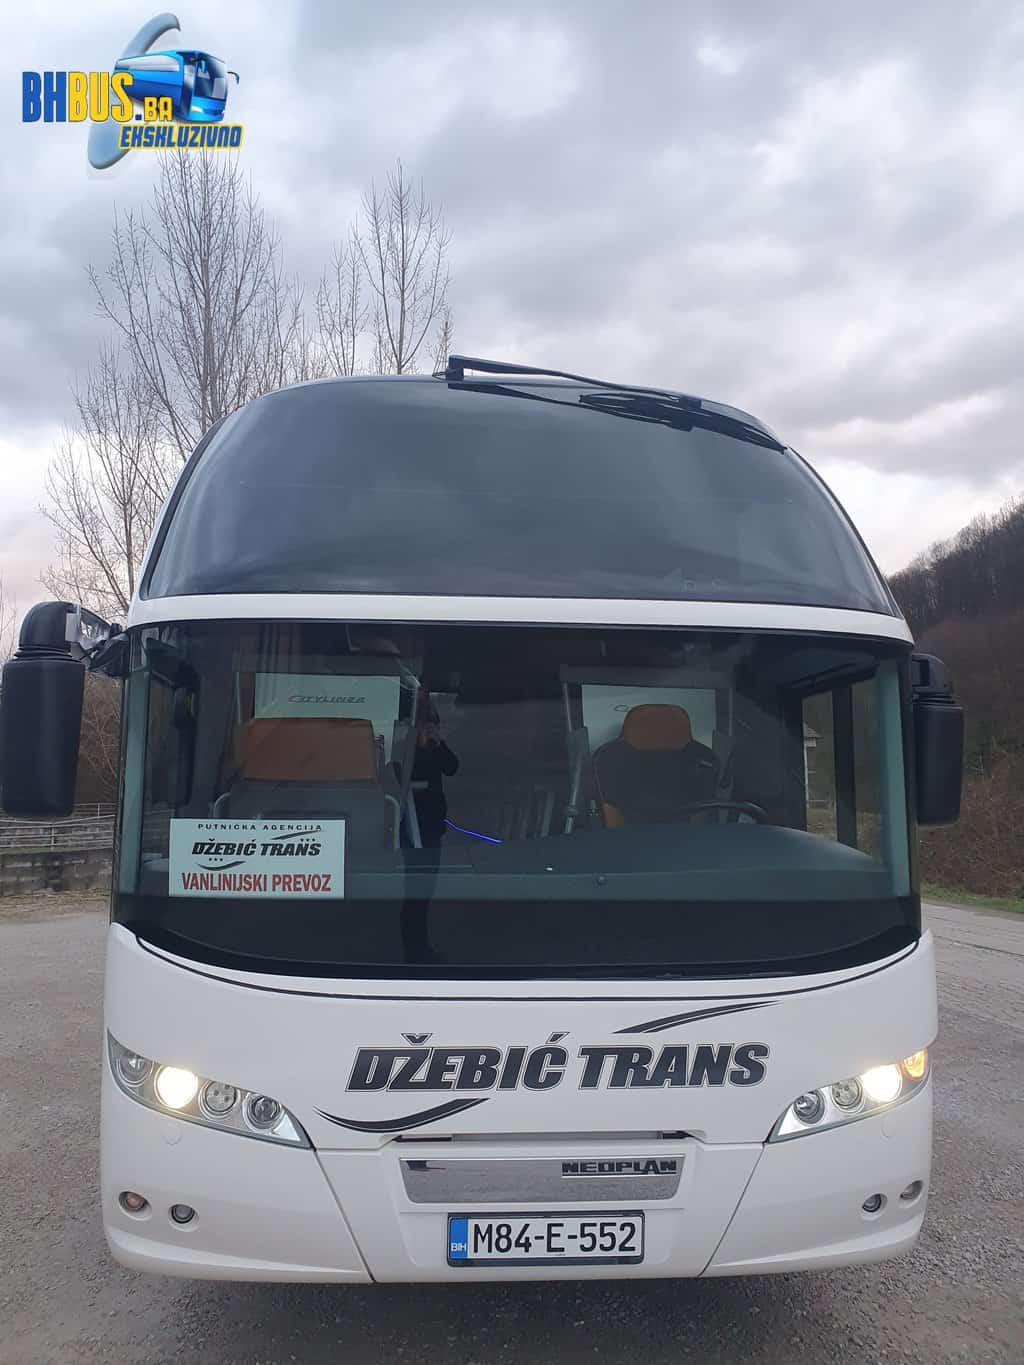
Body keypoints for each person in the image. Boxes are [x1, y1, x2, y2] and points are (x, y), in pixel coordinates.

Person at [401, 695, 458, 963]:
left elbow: (452, 767)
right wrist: (418, 745)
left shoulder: (436, 748)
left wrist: (438, 742)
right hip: (412, 827)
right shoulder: (405, 749)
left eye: (433, 725)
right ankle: (413, 948)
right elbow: (407, 776)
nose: (429, 729)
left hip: (433, 824)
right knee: (415, 890)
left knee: (426, 888)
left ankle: (420, 945)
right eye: (425, 725)